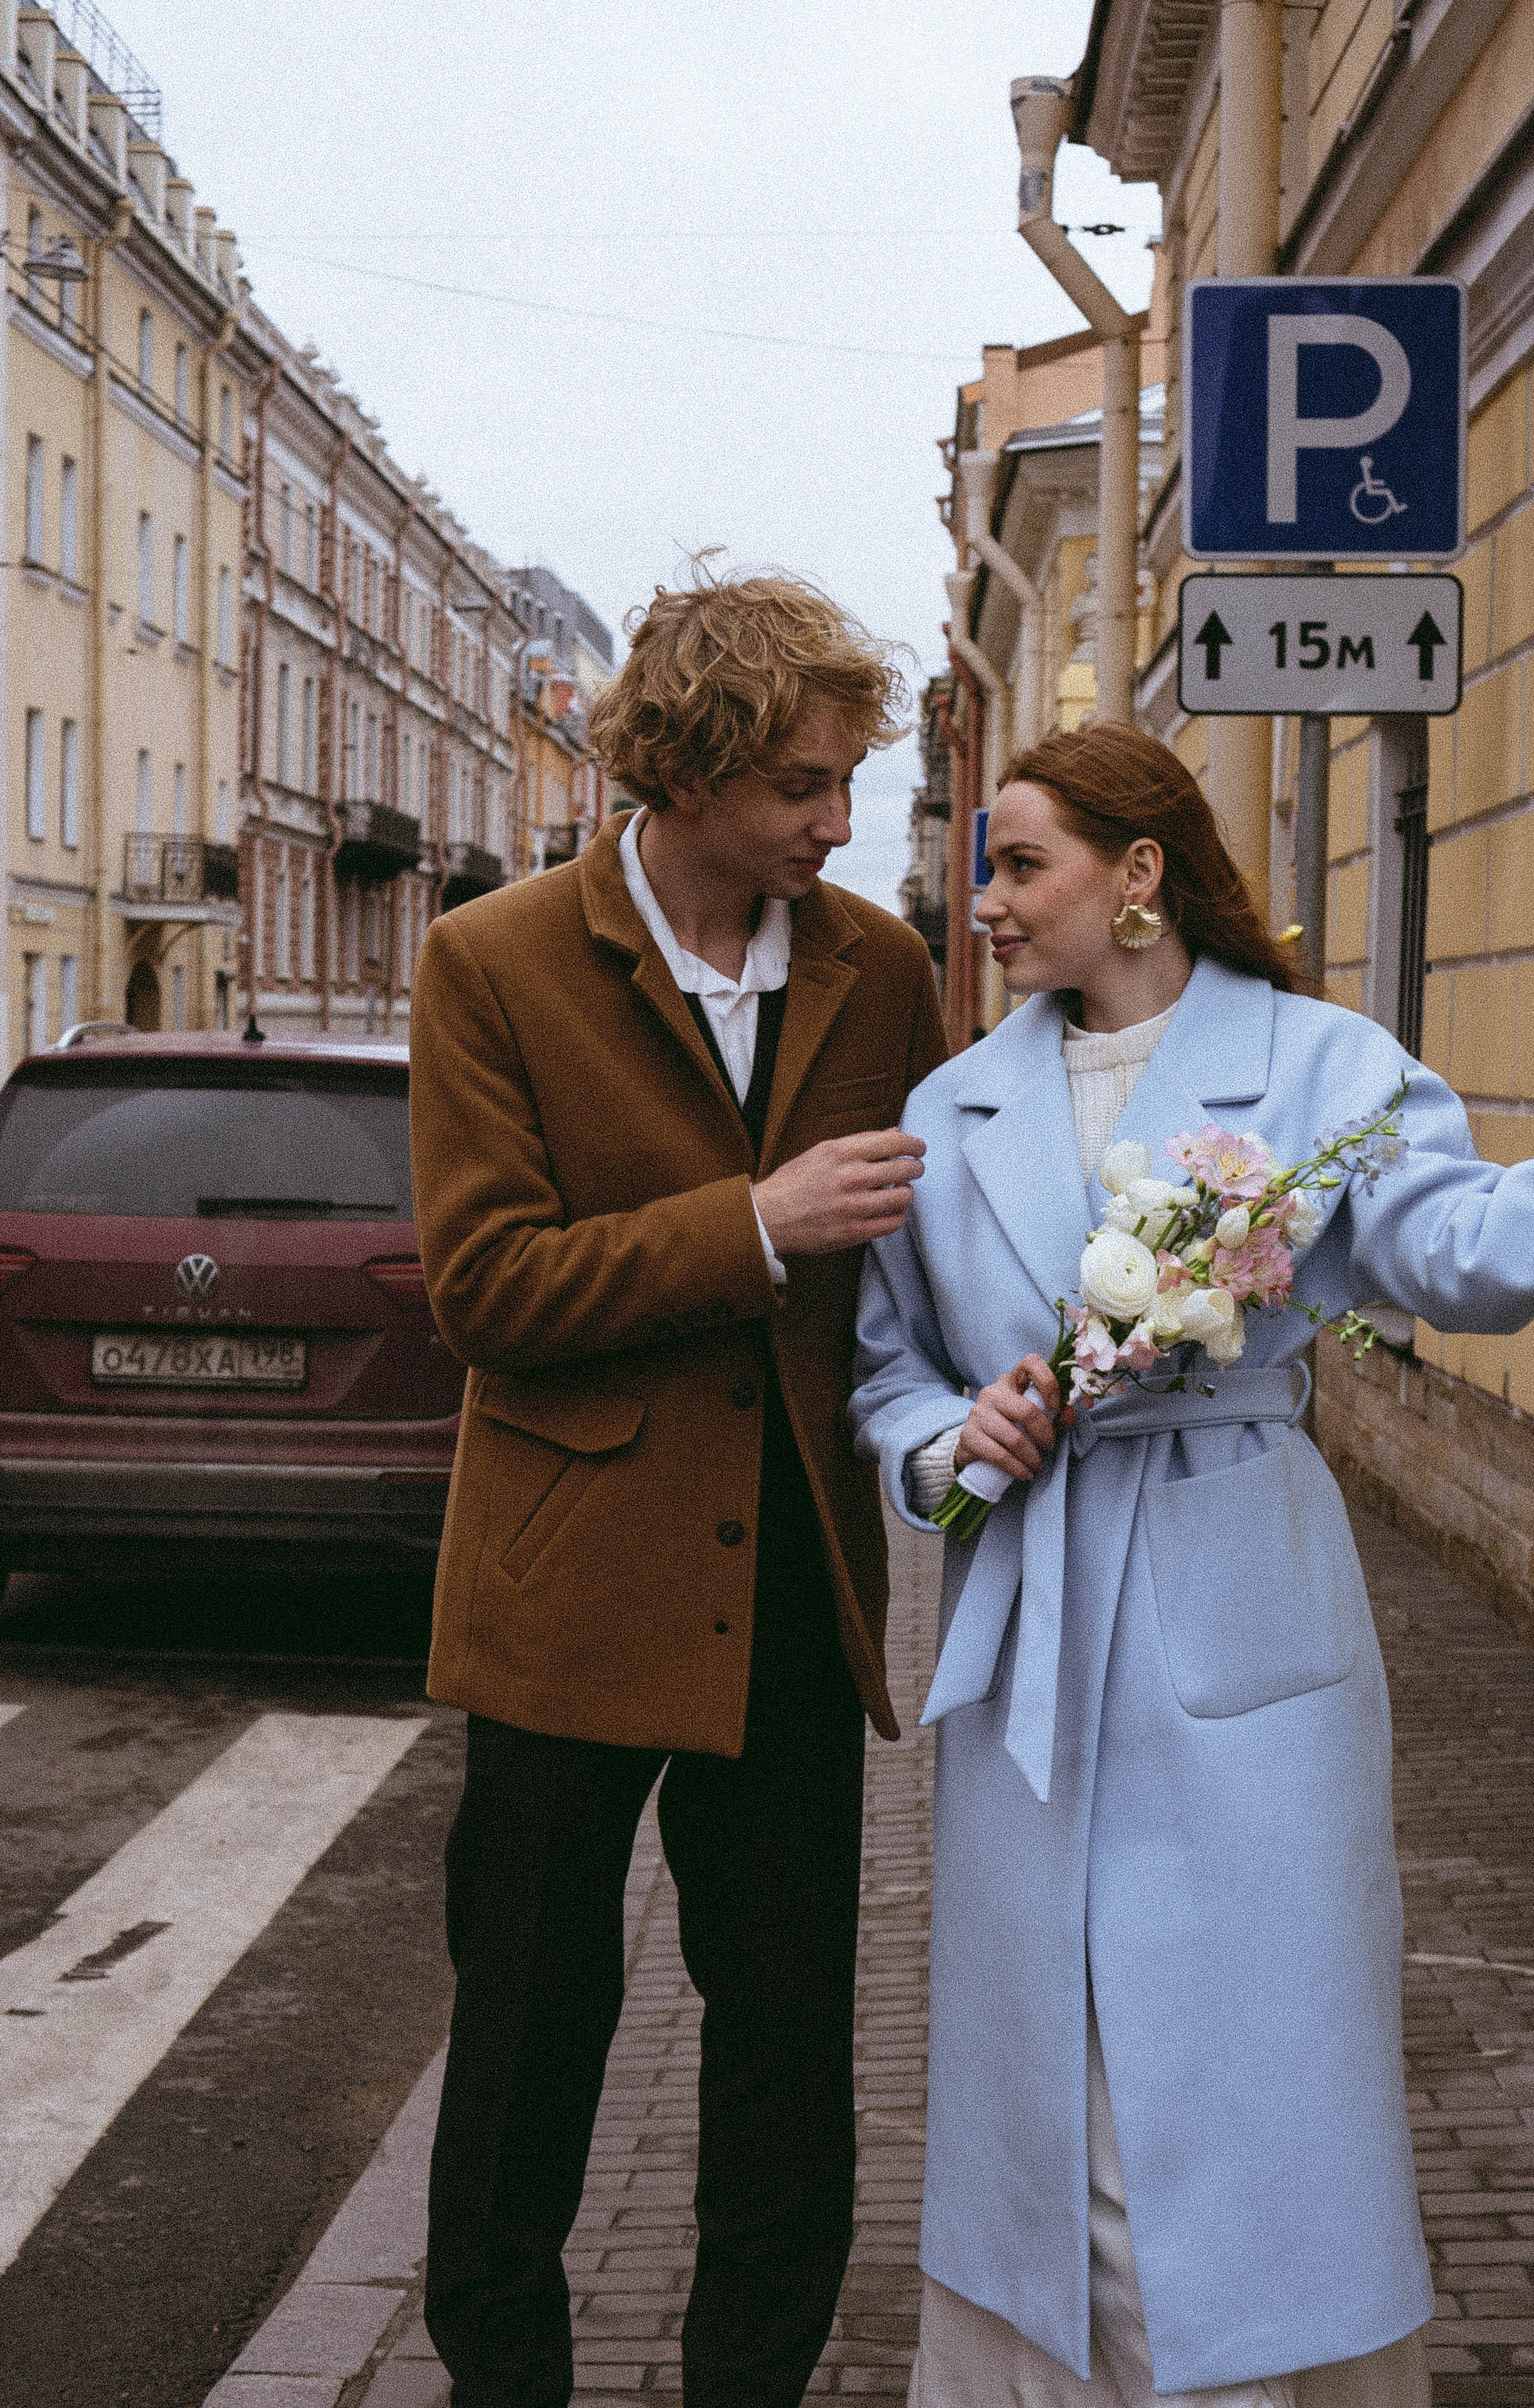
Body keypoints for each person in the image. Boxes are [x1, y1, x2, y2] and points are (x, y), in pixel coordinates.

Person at [851, 722, 1534, 2408]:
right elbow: (886, 1371)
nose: (985, 901)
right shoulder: (951, 1105)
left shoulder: (1324, 1070)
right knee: (1064, 2095)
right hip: (1035, 1632)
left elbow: (1464, 1258)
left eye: (1020, 862)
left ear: (1139, 874)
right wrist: (952, 1442)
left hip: (1241, 1613)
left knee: (1251, 2085)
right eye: (981, 864)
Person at [407, 566, 946, 2408]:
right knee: (531, 2044)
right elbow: (489, 1291)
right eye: (803, 784)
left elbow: (948, 1247)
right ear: (695, 772)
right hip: (567, 1589)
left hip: (793, 1579)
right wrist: (755, 1227)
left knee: (792, 2053)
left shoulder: (883, 968)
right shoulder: (496, 960)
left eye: (848, 782)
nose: (837, 819)